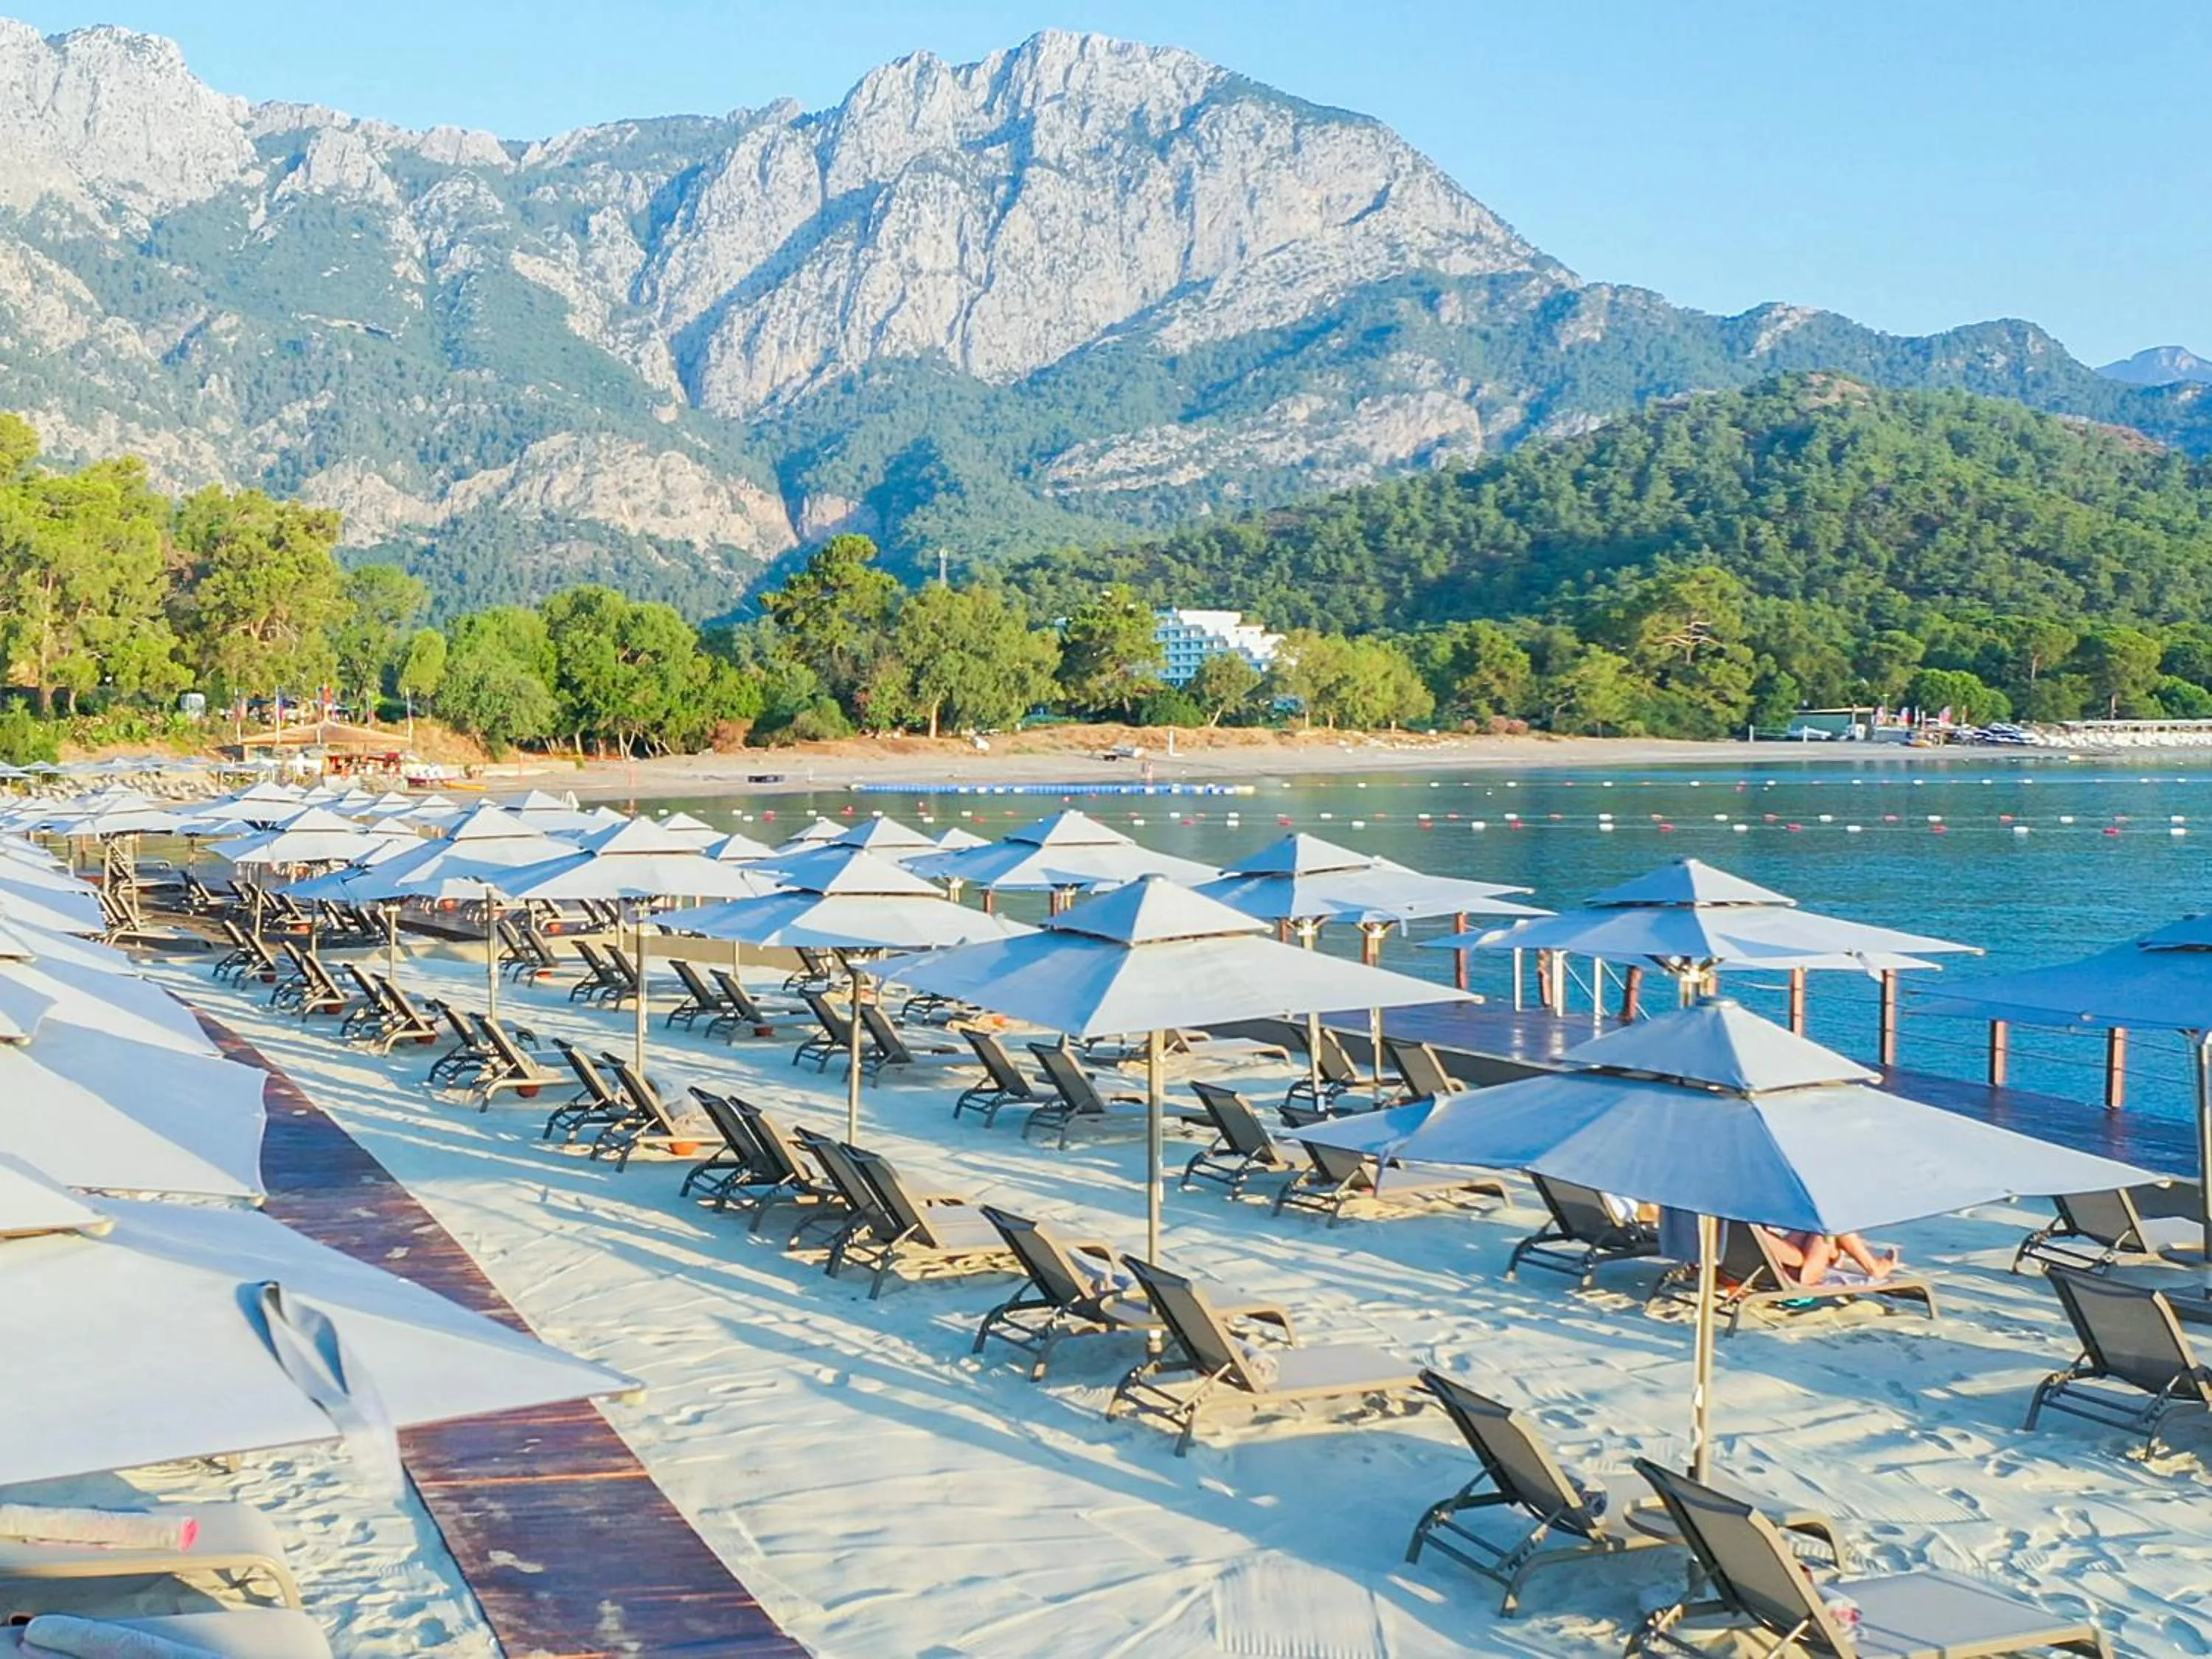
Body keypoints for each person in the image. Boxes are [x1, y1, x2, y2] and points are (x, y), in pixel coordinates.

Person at [1759, 1226, 1902, 1284]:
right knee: (1832, 1227)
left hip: (1770, 1268)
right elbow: (1796, 1260)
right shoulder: (1759, 1236)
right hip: (1800, 1275)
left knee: (1821, 1223)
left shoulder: (1742, 1229)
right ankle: (1874, 1268)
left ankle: (1834, 1252)